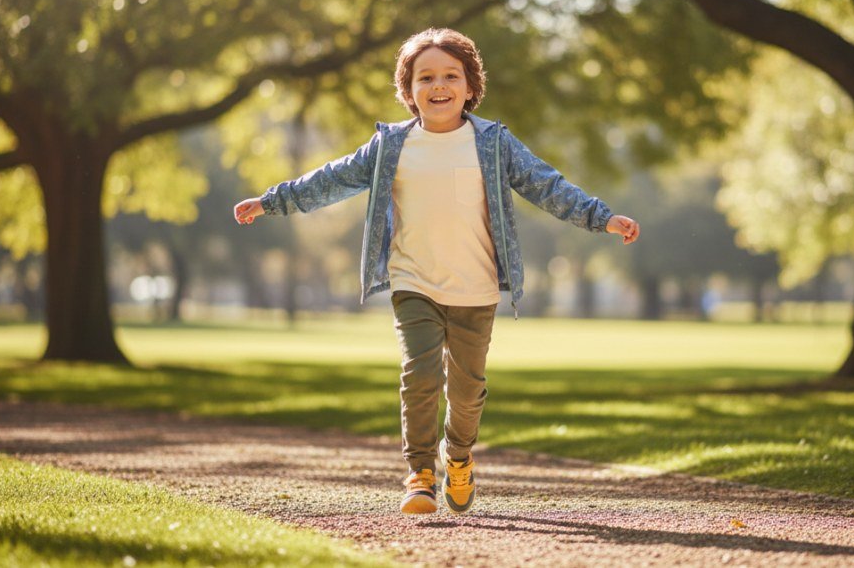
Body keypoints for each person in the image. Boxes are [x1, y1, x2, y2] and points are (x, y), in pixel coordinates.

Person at [233, 28, 640, 515]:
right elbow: (332, 178)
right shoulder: (391, 145)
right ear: (408, 90)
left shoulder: (493, 143)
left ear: (470, 87)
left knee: (467, 394)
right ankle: (421, 473)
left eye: (451, 75)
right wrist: (272, 201)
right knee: (420, 375)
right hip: (413, 282)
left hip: (476, 287)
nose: (438, 85)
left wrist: (601, 218)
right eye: (425, 77)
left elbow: (547, 185)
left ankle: (459, 457)